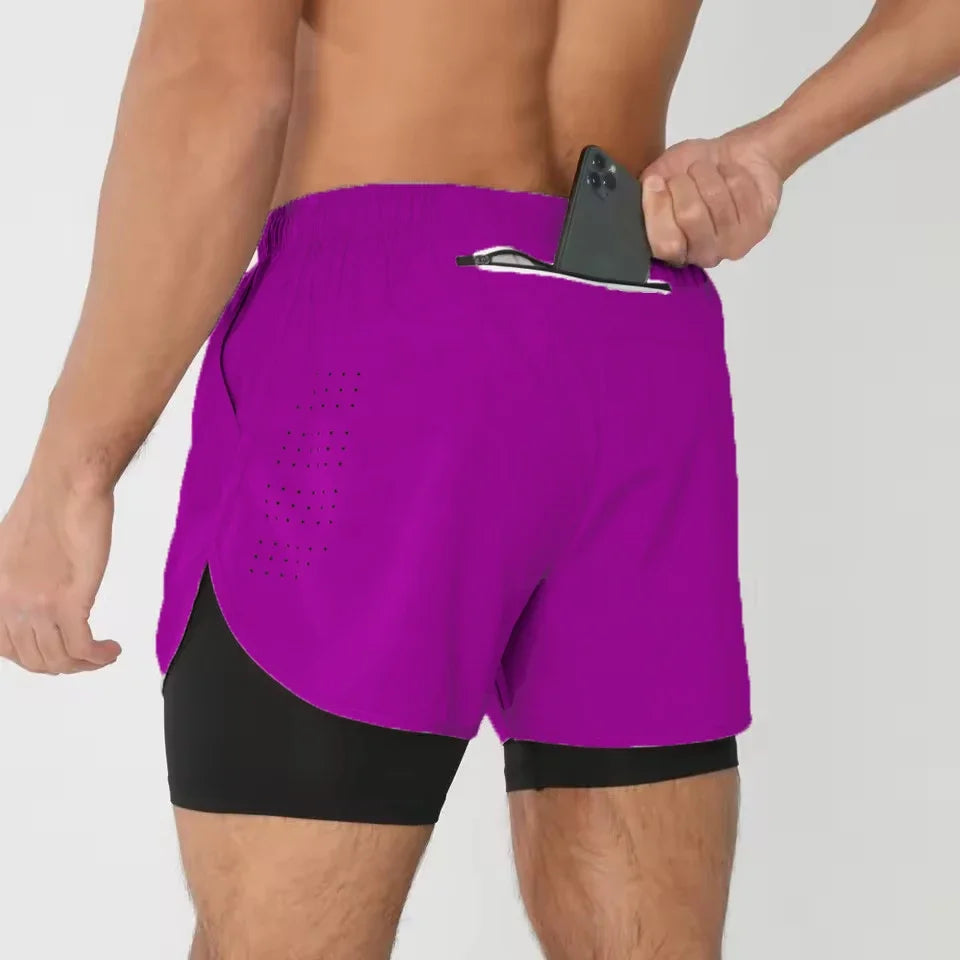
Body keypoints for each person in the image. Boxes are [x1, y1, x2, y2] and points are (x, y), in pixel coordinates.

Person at [0, 1, 957, 957]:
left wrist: (73, 466)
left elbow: (215, 86)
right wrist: (769, 149)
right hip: (638, 329)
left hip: (384, 346)